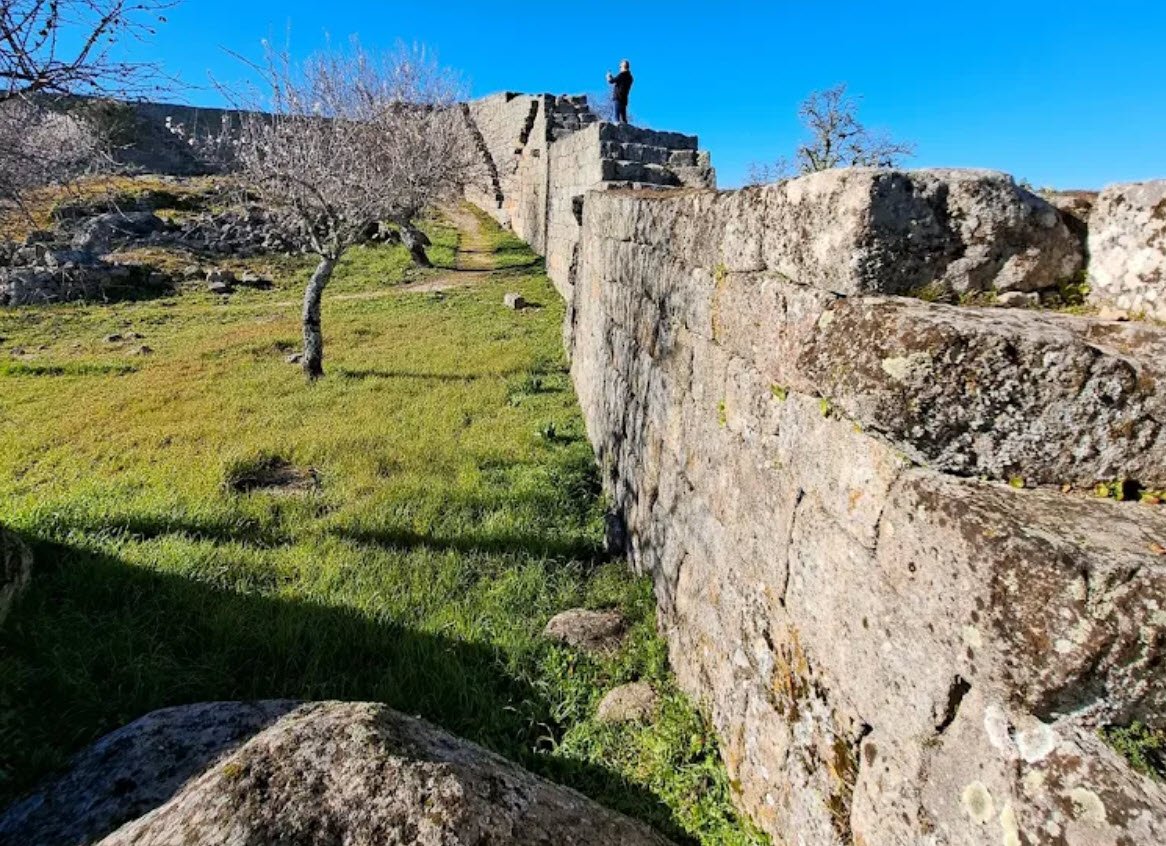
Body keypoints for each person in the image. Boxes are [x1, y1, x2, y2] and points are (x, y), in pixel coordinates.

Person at [605, 60, 633, 124]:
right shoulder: (630, 77)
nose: (619, 68)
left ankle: (616, 132)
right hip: (624, 99)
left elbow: (611, 81)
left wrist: (608, 76)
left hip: (618, 98)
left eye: (620, 67)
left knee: (616, 118)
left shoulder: (622, 75)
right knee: (624, 118)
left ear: (623, 67)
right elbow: (618, 81)